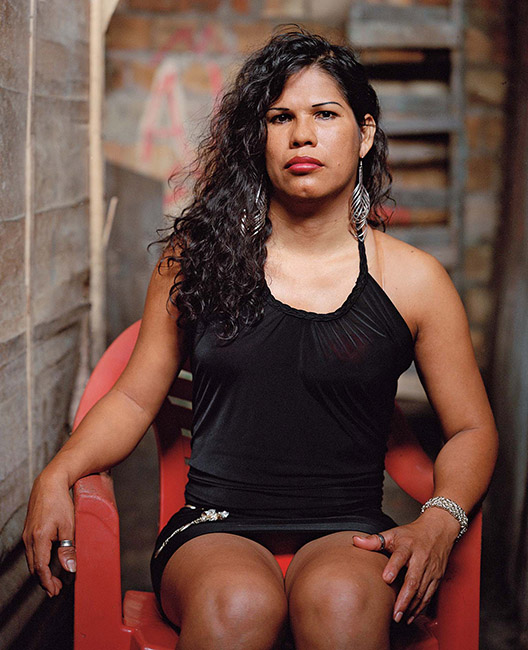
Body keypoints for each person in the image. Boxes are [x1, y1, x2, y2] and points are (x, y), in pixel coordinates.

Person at [23, 28, 498, 650]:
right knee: (239, 604)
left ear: (364, 134)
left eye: (325, 114)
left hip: (348, 530)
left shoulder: (415, 281)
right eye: (281, 117)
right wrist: (56, 472)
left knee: (343, 603)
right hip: (214, 527)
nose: (302, 135)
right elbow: (134, 398)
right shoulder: (196, 258)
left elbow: (472, 429)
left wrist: (441, 517)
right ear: (260, 137)